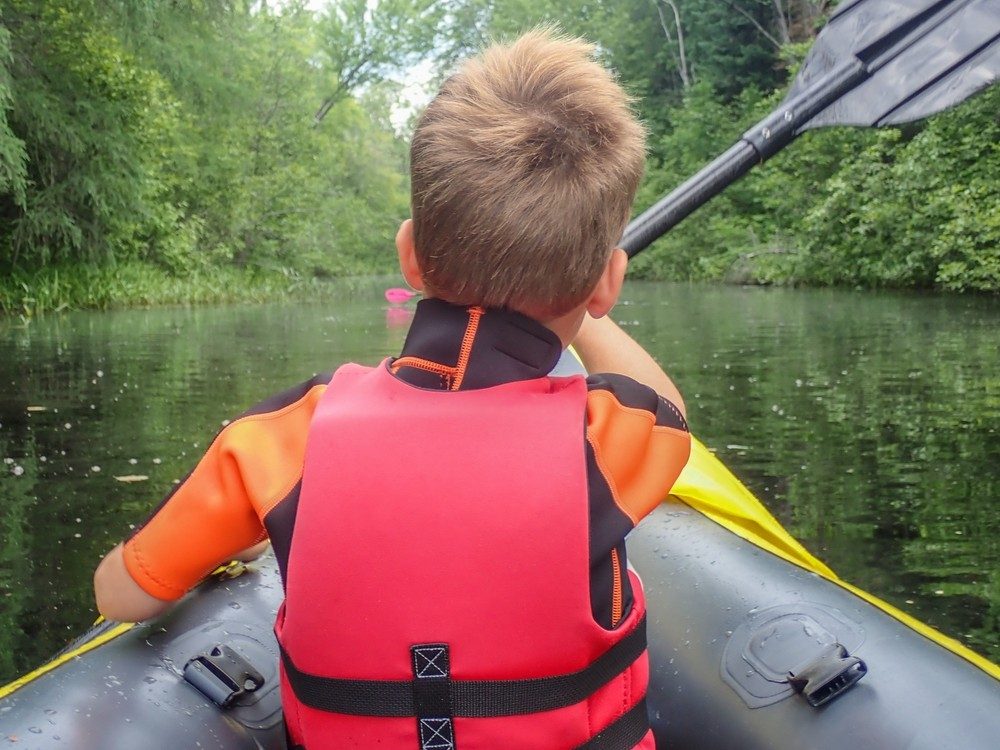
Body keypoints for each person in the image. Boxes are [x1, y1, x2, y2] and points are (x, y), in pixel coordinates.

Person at [94, 29, 691, 750]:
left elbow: (122, 594)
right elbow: (667, 408)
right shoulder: (606, 438)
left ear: (410, 255)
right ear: (608, 283)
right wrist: (594, 299)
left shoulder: (286, 436)